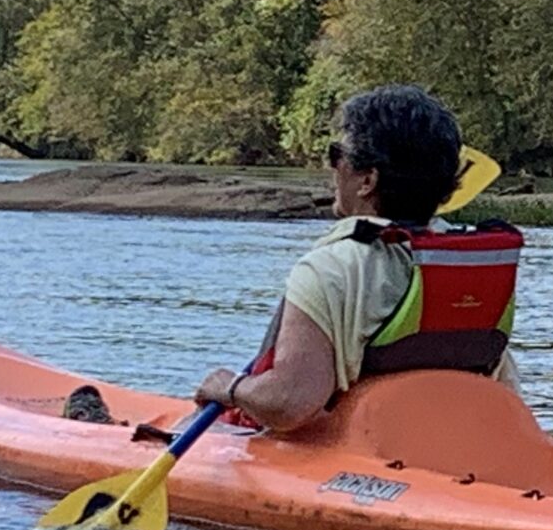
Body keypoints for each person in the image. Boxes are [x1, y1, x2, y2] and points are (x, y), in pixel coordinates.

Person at [191, 85, 522, 435]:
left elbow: (290, 403)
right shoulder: (470, 262)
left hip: (354, 453)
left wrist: (229, 387)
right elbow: (506, 393)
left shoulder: (329, 268)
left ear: (367, 179)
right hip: (452, 445)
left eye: (337, 155)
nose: (333, 168)